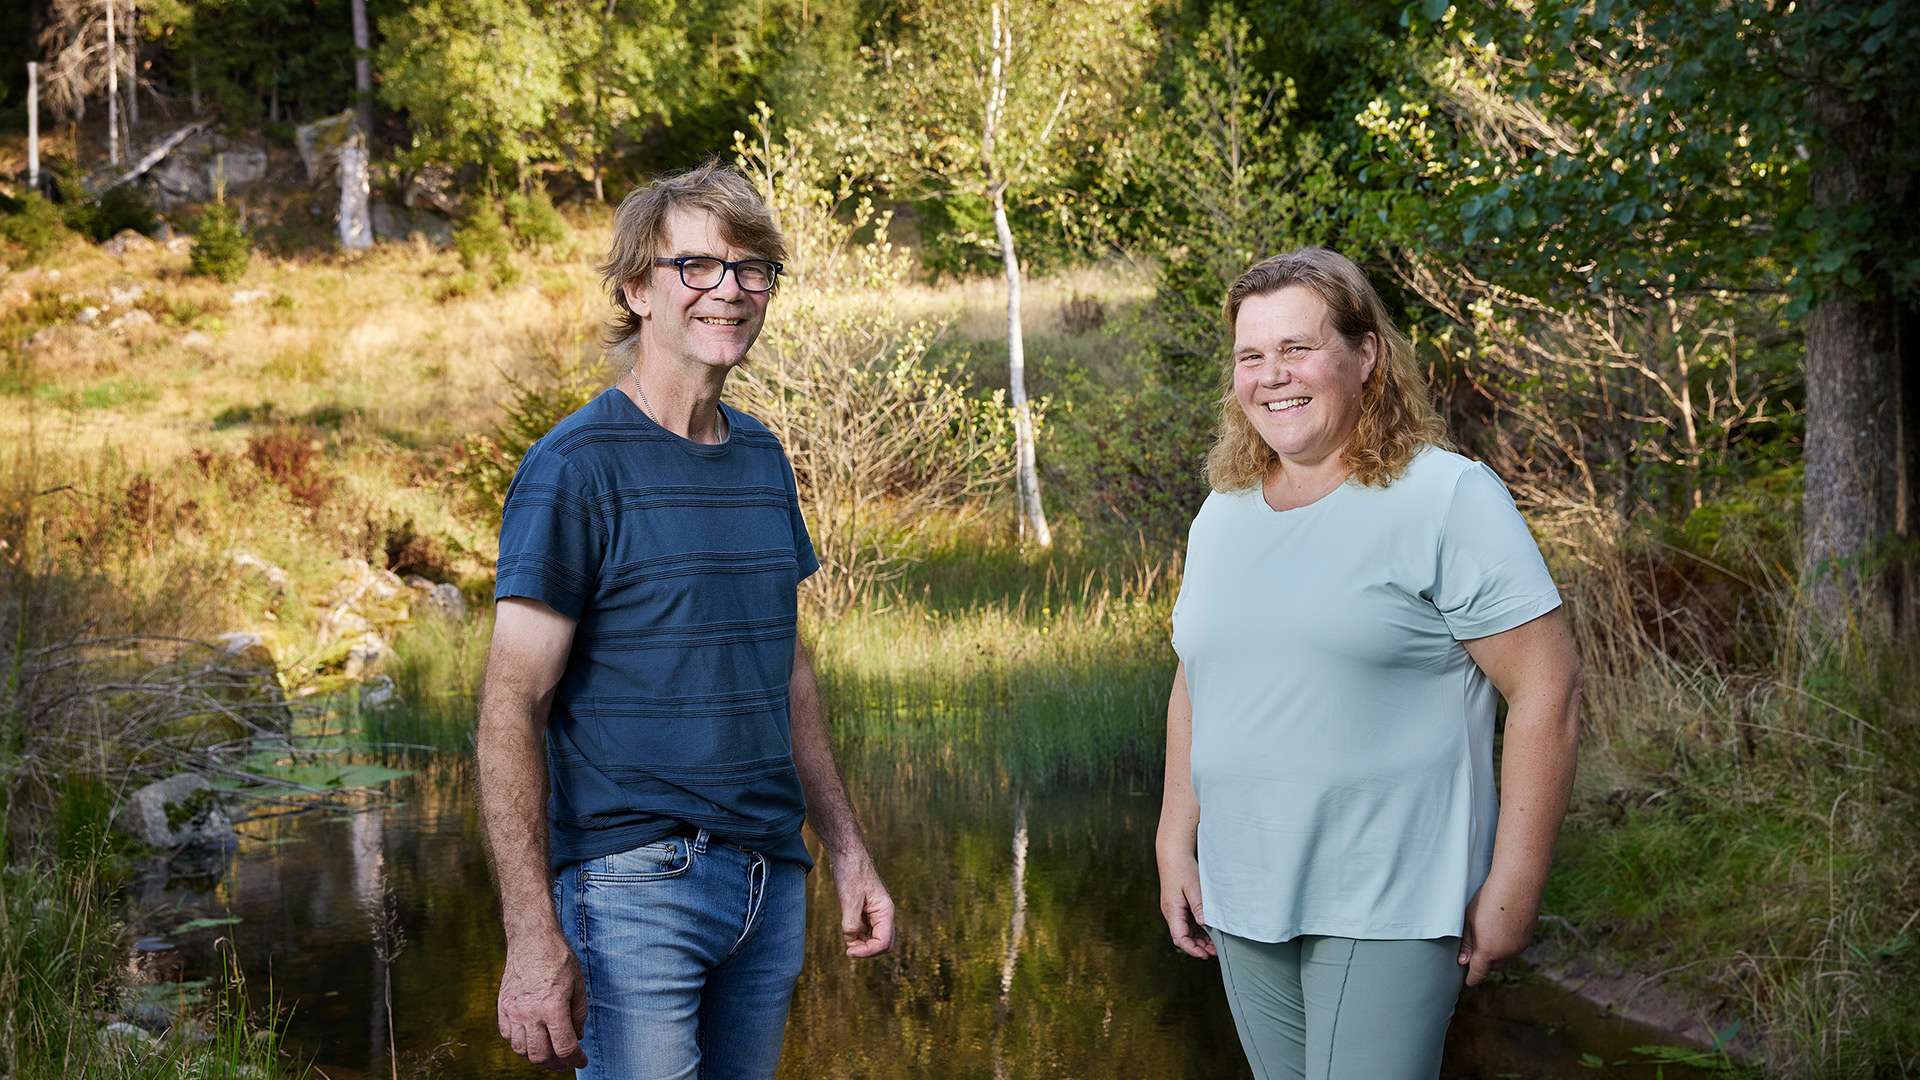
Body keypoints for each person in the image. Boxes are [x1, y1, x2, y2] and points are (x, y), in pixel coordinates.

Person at [477, 161, 895, 1079]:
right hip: (633, 889)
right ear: (637, 288)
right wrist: (530, 934)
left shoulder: (763, 458)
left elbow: (786, 671)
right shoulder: (574, 469)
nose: (730, 291)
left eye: (753, 271)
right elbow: (511, 706)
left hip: (770, 882)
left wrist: (849, 849)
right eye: (697, 267)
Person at [1155, 248, 1582, 1079]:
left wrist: (1514, 885)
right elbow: (1198, 679)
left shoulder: (1445, 497)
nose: (1272, 376)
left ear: (1365, 355)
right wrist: (1178, 838)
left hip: (1388, 896)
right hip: (1244, 895)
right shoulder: (1224, 512)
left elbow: (1548, 688)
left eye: (1297, 349)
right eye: (1251, 356)